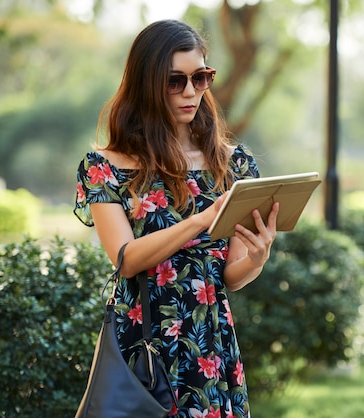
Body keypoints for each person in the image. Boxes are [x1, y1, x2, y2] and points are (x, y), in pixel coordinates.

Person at [74, 19, 279, 417]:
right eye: (175, 81)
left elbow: (229, 277)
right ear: (146, 83)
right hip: (148, 347)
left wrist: (256, 258)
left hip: (210, 342)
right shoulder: (105, 167)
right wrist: (200, 220)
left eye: (201, 78)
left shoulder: (233, 163)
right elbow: (126, 259)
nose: (191, 92)